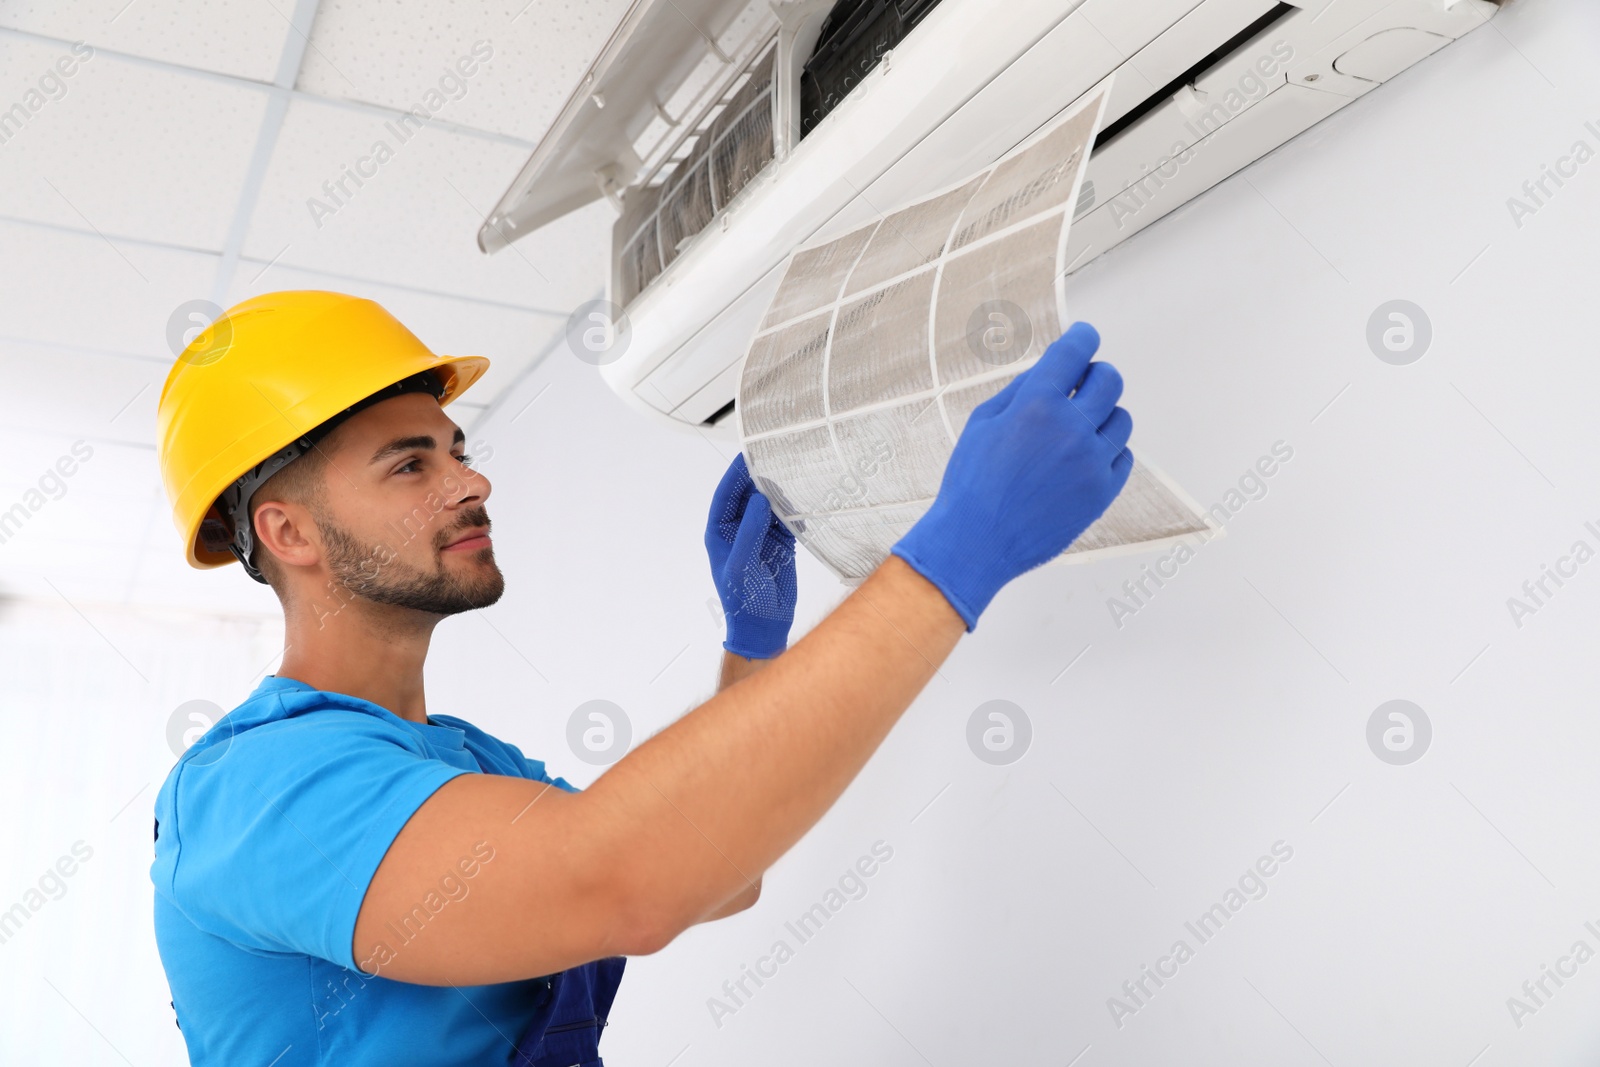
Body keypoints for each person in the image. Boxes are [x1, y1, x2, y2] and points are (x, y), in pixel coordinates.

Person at [151, 290, 1133, 1065]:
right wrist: (955, 556)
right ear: (288, 531)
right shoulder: (256, 785)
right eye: (410, 465)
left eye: (457, 449)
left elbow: (715, 877)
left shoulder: (461, 761)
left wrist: (753, 640)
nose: (471, 479)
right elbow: (621, 884)